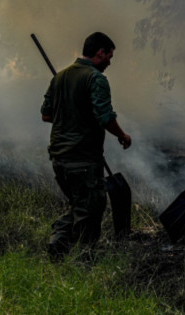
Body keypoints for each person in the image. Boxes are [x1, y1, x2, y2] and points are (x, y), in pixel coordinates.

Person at [40, 32, 132, 260]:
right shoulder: (95, 78)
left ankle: (62, 245)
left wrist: (72, 115)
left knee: (81, 205)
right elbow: (105, 117)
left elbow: (46, 114)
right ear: (100, 52)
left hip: (59, 158)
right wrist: (122, 135)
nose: (110, 62)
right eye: (109, 56)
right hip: (82, 158)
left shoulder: (60, 77)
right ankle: (84, 258)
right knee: (91, 208)